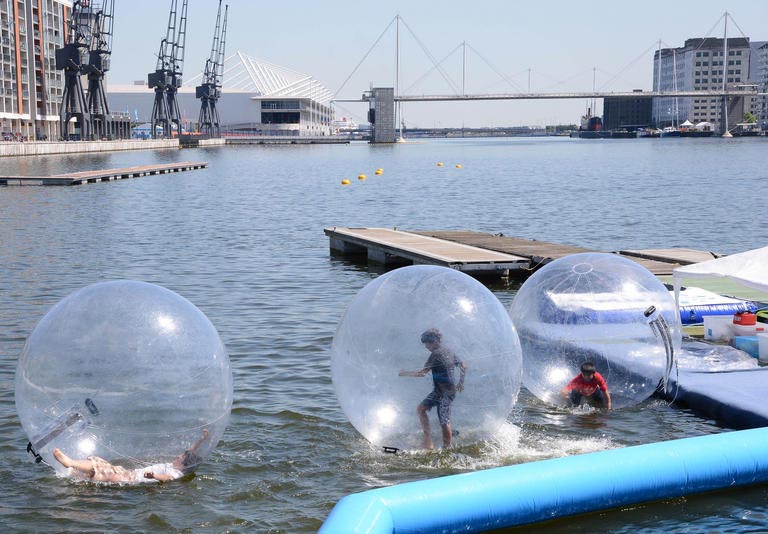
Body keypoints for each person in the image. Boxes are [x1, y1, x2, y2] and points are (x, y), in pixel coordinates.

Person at [52, 428, 210, 483]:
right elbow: (191, 452)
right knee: (98, 463)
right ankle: (73, 472)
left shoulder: (175, 473)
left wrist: (155, 475)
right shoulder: (177, 465)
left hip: (129, 480)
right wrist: (201, 440)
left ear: (184, 463)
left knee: (99, 466)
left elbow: (166, 479)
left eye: (181, 457)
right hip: (129, 473)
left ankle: (70, 462)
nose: (178, 456)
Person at [399, 328, 467, 449]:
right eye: (425, 343)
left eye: (427, 343)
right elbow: (463, 366)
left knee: (444, 420)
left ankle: (447, 448)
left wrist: (404, 373)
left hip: (445, 393)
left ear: (435, 341)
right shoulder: (449, 351)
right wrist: (461, 383)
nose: (426, 346)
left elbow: (422, 373)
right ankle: (428, 441)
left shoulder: (435, 354)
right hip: (440, 391)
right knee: (421, 409)